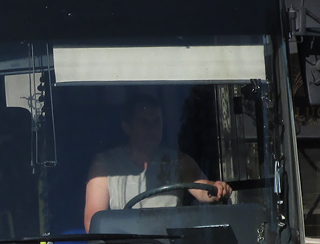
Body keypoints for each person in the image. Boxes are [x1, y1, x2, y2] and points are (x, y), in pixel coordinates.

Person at [84, 93, 232, 232]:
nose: (152, 128)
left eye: (156, 122)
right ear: (127, 127)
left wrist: (216, 188)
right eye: (144, 122)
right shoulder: (103, 165)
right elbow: (94, 223)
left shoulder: (179, 161)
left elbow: (201, 189)